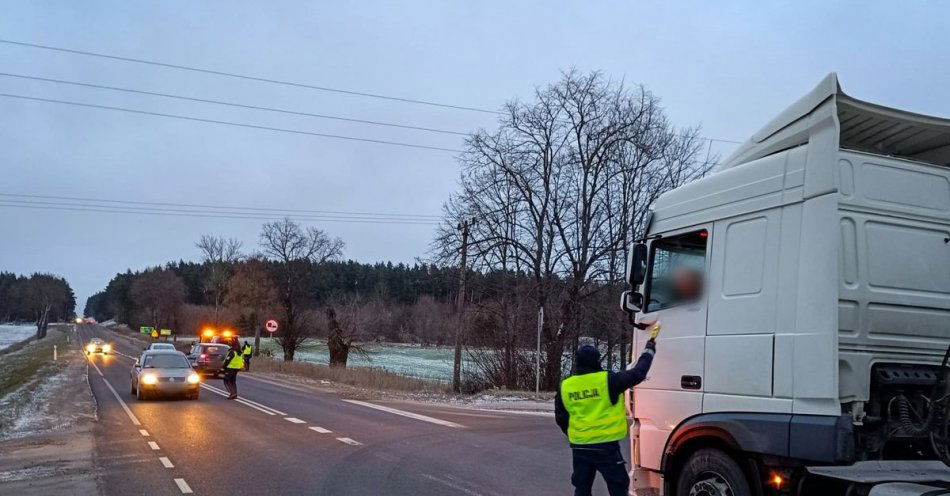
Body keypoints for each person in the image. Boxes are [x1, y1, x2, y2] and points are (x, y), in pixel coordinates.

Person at [555, 338, 657, 496]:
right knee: (618, 487)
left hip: (580, 447)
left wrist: (574, 434)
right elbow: (638, 374)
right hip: (606, 448)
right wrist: (649, 351)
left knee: (582, 488)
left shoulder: (567, 385)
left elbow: (561, 417)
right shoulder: (608, 380)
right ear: (597, 361)